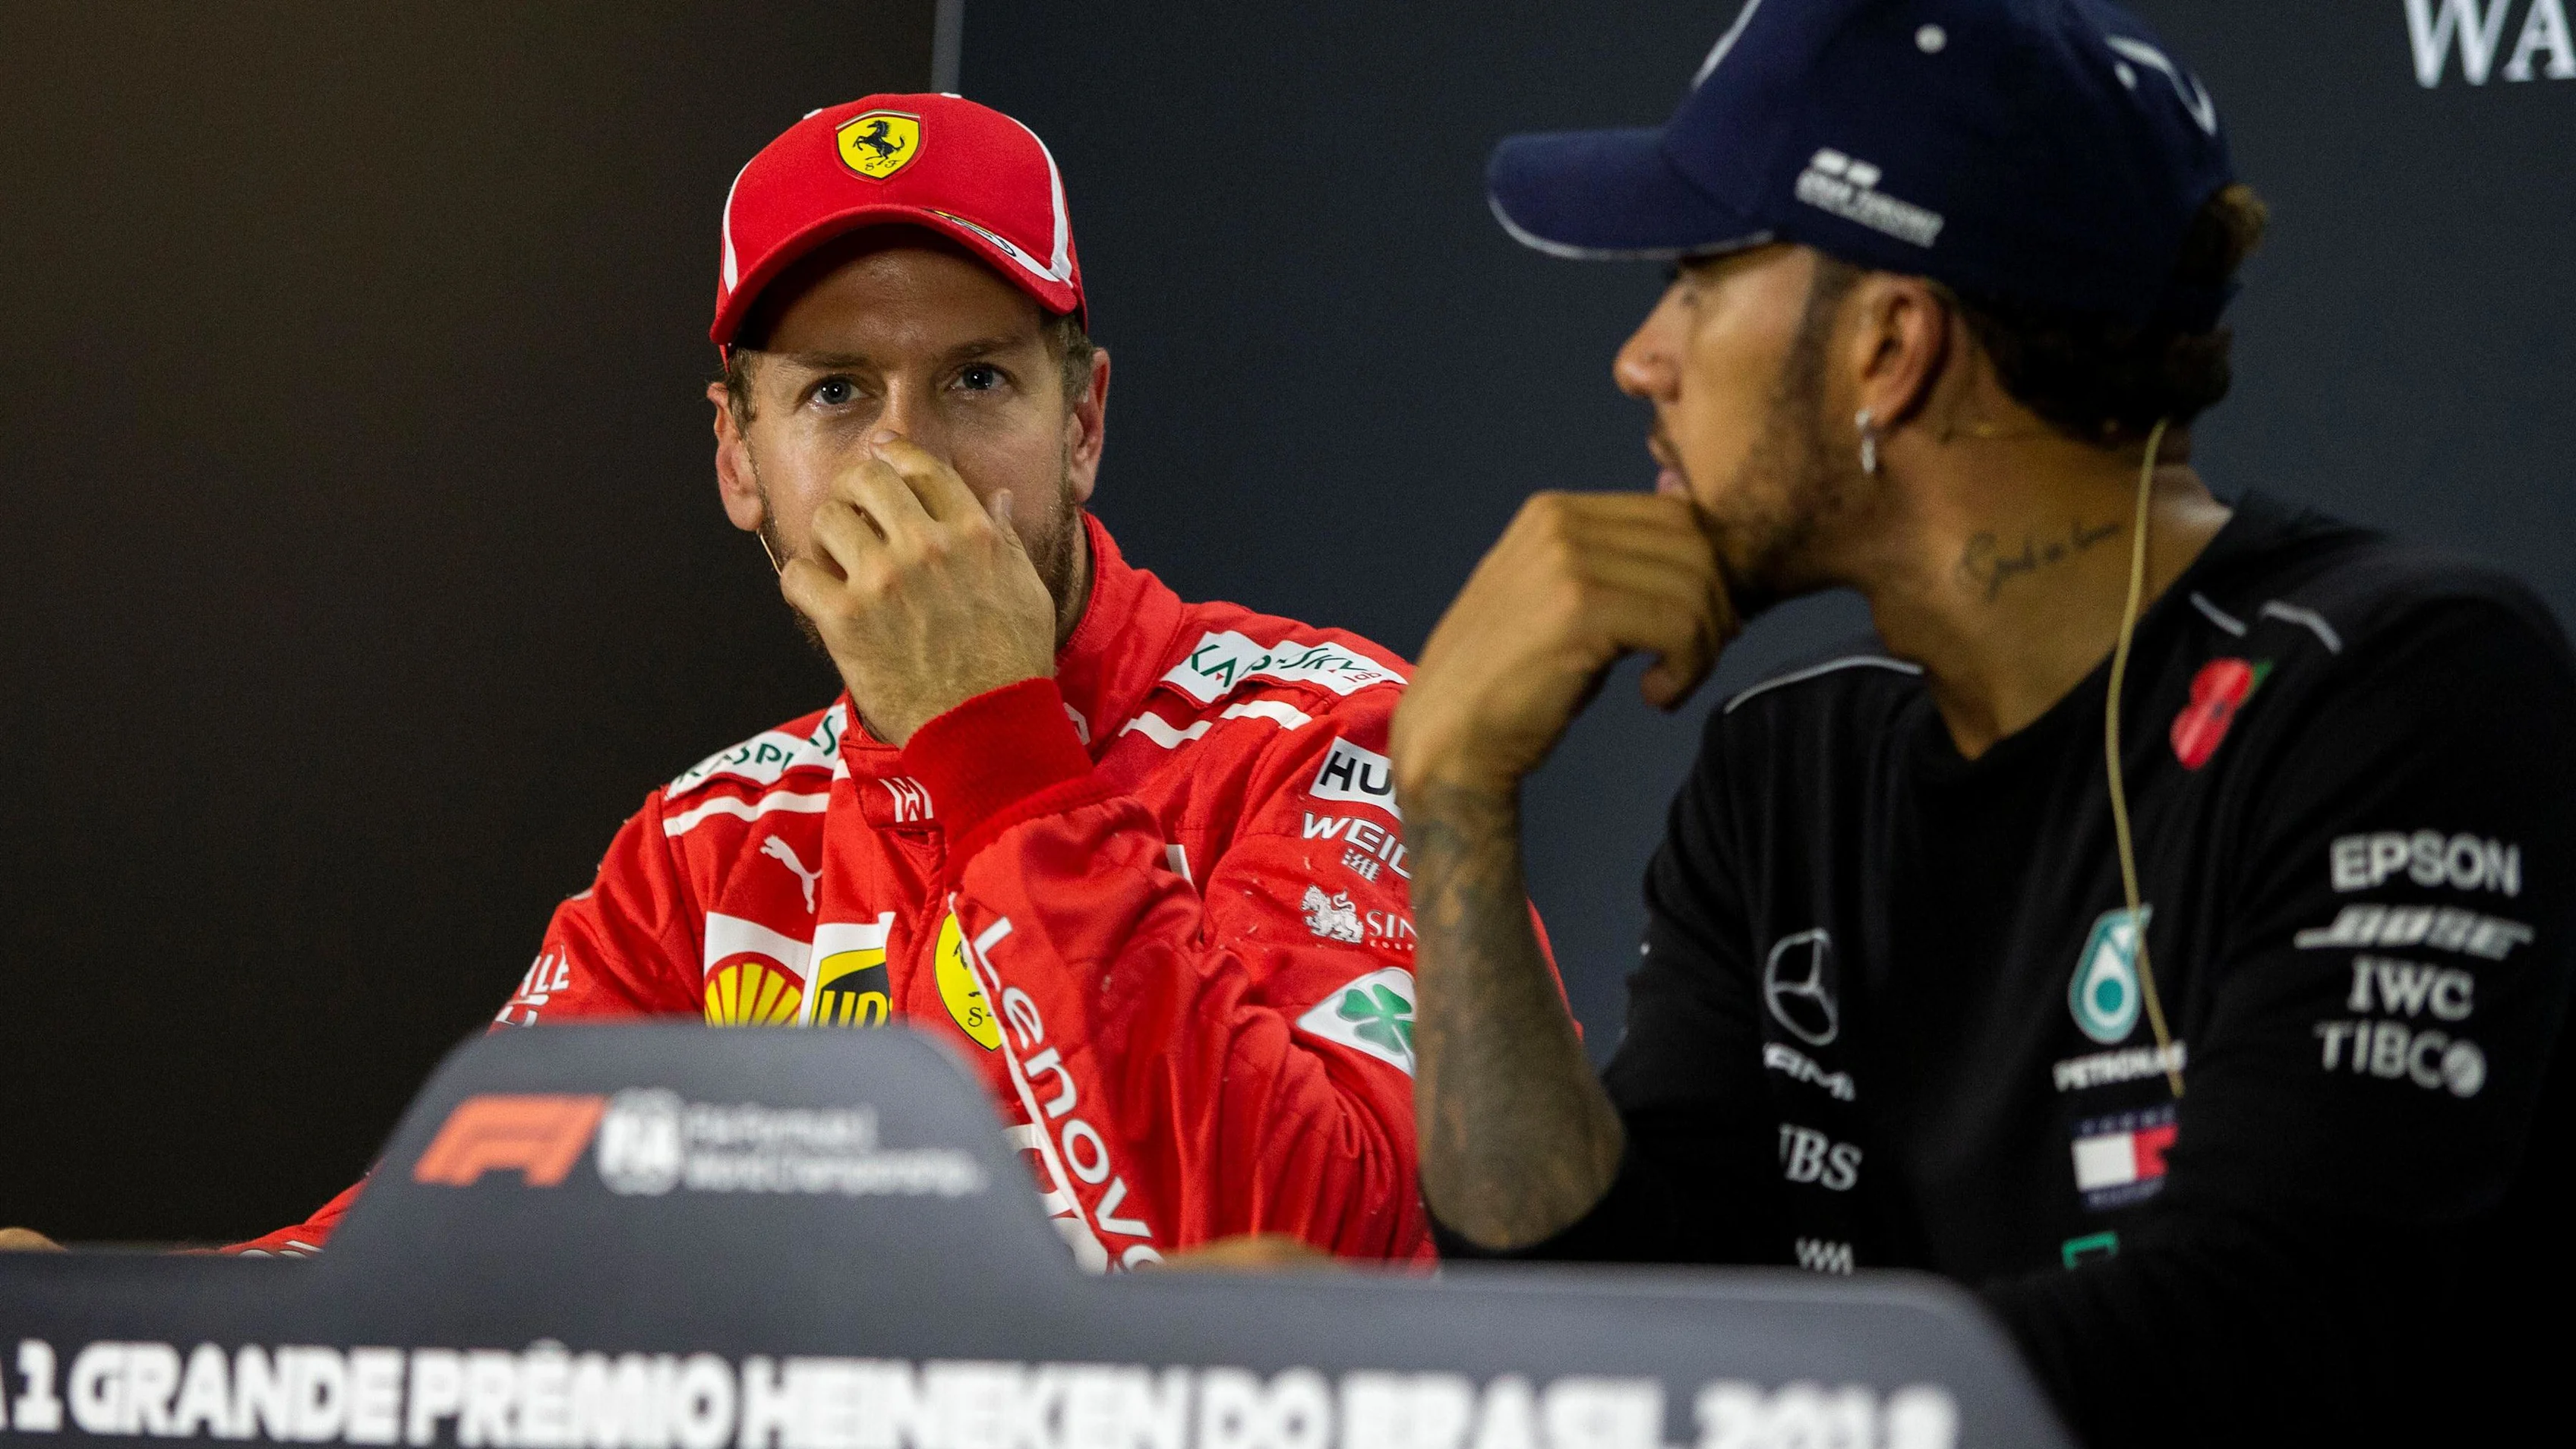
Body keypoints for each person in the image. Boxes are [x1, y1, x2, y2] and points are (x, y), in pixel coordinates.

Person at [1392, 2, 2574, 1444]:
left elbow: (2256, 1335)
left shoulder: (2401, 682)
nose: (1642, 356)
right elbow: (1589, 1308)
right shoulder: (1784, 774)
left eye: (1700, 274)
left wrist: (1699, 1399)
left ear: (1891, 346)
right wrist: (1453, 797)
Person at [213, 93, 1435, 1267]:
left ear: (1084, 426)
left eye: (977, 379)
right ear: (739, 461)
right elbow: (449, 1246)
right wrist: (101, 1312)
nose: (907, 456)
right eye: (836, 392)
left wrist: (997, 752)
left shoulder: (1330, 737)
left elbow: (1321, 1262)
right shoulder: (708, 849)